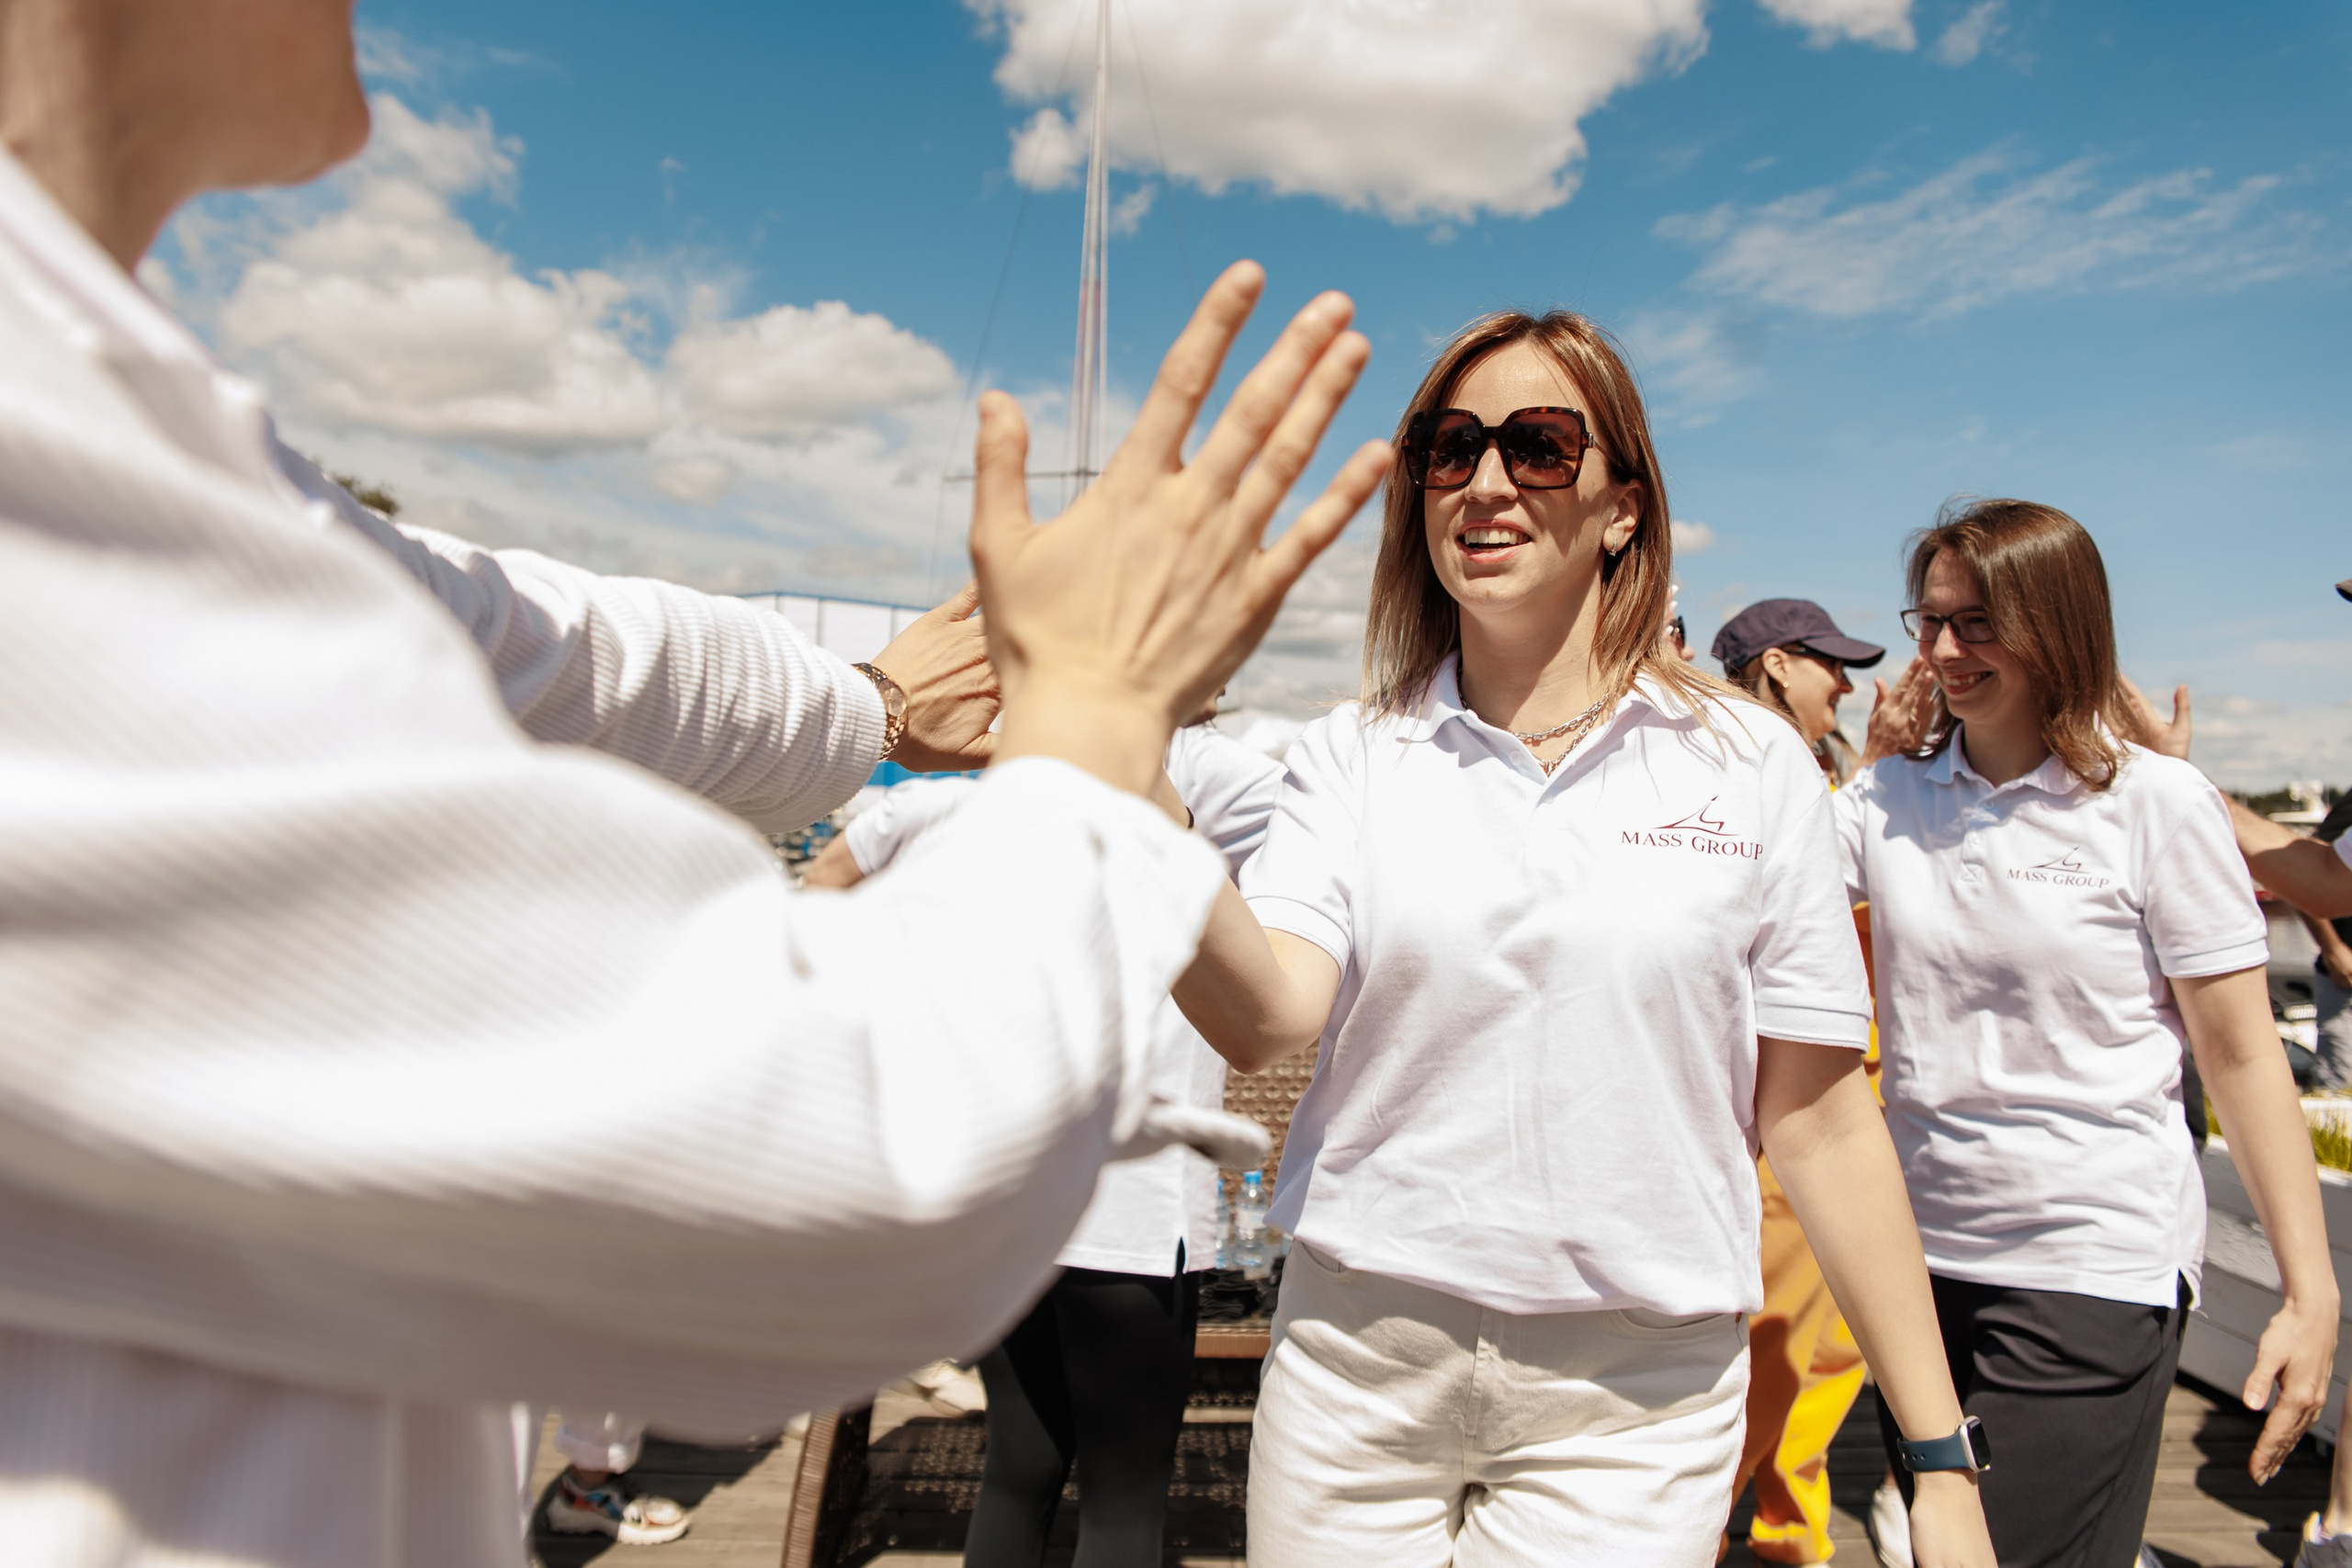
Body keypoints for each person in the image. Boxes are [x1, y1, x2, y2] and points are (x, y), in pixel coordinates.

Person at [0, 3, 1398, 1562]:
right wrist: (1093, 726)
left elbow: (526, 634)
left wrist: (862, 702)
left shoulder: (101, 413)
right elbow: (828, 1183)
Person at [1165, 309, 1996, 1567]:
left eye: (1541, 445)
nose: (1487, 480)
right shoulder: (1353, 753)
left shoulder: (1752, 763)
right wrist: (1117, 778)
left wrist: (1938, 1457)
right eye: (1452, 448)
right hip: (1354, 1365)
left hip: (1634, 1398)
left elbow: (1822, 1120)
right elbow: (1266, 1010)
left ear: (1624, 507)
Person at [1832, 500, 2337, 1568]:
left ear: (2057, 623)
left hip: (2088, 1263)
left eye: (1977, 622)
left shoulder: (2157, 803)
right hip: (1915, 1264)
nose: (1944, 651)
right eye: (1930, 622)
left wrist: (2310, 1290)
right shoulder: (1881, 801)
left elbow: (2242, 1057)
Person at [810, 715, 1281, 1567]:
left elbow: (820, 900)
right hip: (1131, 1208)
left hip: (1003, 1198)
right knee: (1124, 1499)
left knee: (1018, 1468)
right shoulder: (1220, 773)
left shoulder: (955, 796)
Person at [1714, 598, 1887, 1565]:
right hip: (1790, 1112)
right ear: (1779, 665)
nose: (1849, 687)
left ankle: (1790, 1539)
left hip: (1848, 1093)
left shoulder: (1820, 775)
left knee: (1827, 1354)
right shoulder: (1748, 770)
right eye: (1832, 666)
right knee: (1772, 1352)